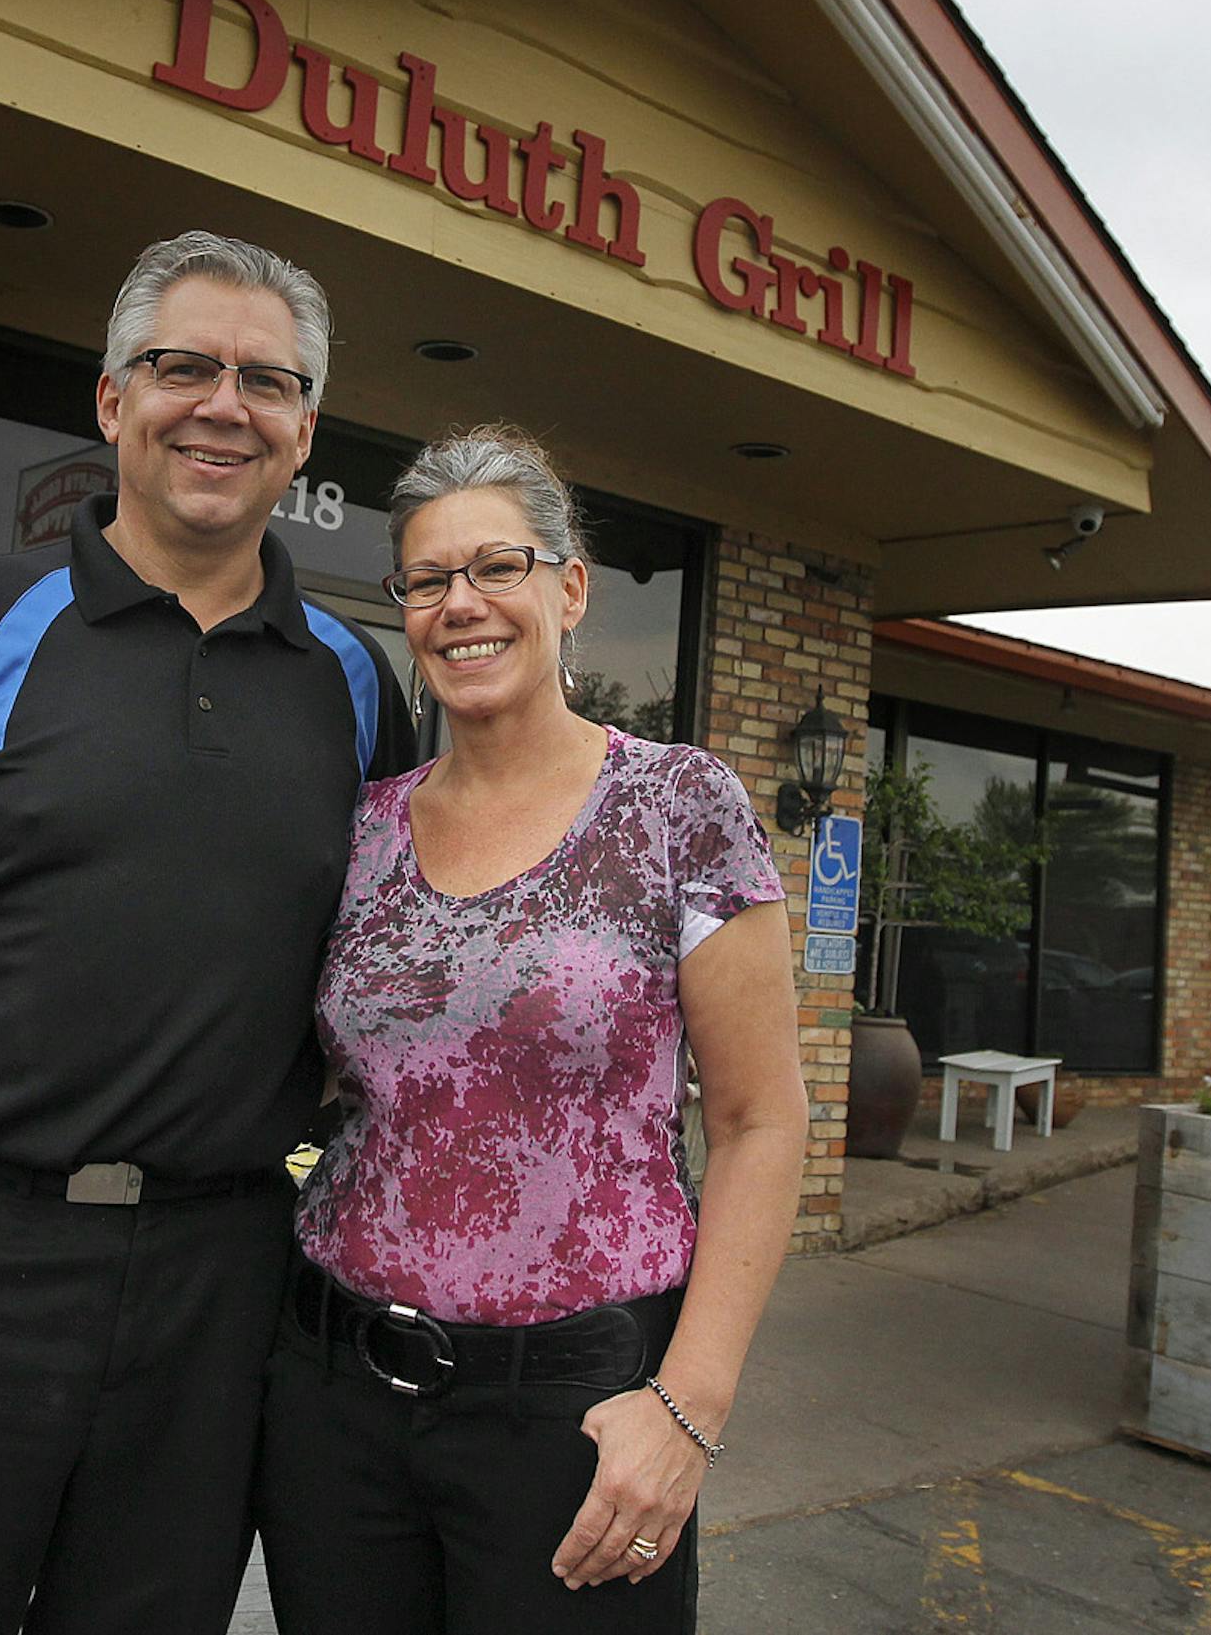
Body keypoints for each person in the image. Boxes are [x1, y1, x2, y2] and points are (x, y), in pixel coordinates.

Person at [0, 231, 413, 1634]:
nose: (222, 404)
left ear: (303, 436)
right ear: (112, 402)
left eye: (264, 381)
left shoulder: (356, 686)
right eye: (182, 366)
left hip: (215, 1293)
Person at [256, 424, 809, 1633]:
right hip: (331, 1400)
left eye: (496, 567)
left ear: (567, 589)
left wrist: (688, 1409)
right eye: (429, 579)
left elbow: (764, 1121)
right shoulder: (360, 827)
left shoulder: (676, 805)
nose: (463, 605)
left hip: (575, 1415)